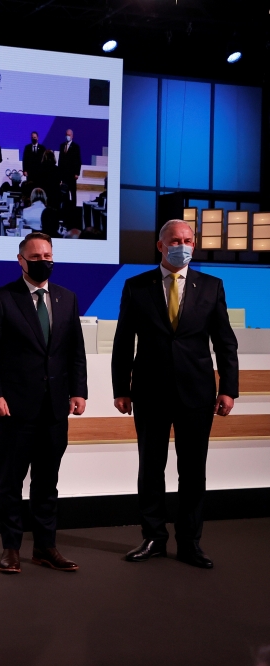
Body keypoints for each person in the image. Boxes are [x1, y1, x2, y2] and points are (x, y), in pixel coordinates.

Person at [112, 219, 238, 569]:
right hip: (149, 392)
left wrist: (229, 389)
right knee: (151, 469)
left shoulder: (212, 286)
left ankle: (189, 542)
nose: (181, 245)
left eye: (187, 240)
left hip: (197, 392)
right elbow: (124, 342)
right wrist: (121, 388)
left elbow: (225, 342)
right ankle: (153, 537)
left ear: (194, 245)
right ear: (160, 245)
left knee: (193, 471)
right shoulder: (136, 286)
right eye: (174, 240)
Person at [0, 232, 88, 575]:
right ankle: (11, 548)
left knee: (47, 480)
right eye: (36, 256)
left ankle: (45, 547)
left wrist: (79, 390)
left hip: (55, 407)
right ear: (21, 260)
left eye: (49, 255)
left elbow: (74, 351)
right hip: (14, 406)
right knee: (11, 480)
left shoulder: (67, 298)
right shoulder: (1, 298)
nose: (44, 260)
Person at [57, 129, 82, 207]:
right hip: (64, 175)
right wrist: (59, 174)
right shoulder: (62, 146)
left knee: (73, 193)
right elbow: (60, 160)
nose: (67, 136)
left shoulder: (76, 147)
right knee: (65, 193)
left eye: (69, 135)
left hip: (72, 175)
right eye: (66, 134)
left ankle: (73, 209)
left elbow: (78, 161)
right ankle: (66, 209)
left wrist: (77, 173)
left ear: (72, 136)